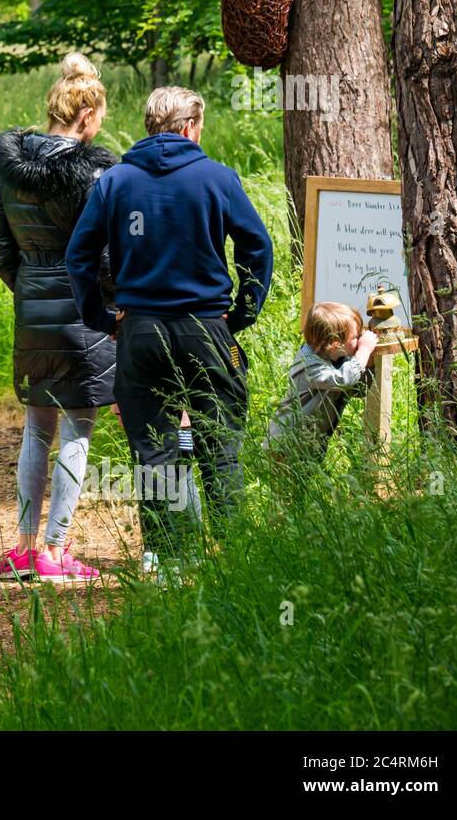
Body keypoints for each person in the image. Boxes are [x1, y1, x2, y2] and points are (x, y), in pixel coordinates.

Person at [65, 86, 274, 569]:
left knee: (155, 451)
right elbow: (258, 250)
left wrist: (101, 317)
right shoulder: (218, 179)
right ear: (189, 128)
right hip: (206, 328)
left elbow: (78, 257)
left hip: (139, 330)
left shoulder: (116, 181)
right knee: (219, 445)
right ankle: (233, 558)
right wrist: (241, 314)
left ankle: (163, 560)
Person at [0, 53, 118, 583]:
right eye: (100, 118)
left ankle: (22, 549)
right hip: (84, 314)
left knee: (36, 430)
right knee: (78, 431)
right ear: (86, 116)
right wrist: (107, 303)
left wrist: (30, 290)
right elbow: (104, 255)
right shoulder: (95, 173)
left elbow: (1, 251)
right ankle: (57, 552)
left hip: (32, 312)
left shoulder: (8, 172)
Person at [266, 301, 378, 460]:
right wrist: (364, 350)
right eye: (356, 336)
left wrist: (370, 362)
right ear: (334, 344)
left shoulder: (334, 357)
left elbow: (357, 389)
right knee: (289, 484)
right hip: (286, 443)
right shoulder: (311, 366)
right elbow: (344, 379)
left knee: (305, 482)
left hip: (309, 441)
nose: (360, 340)